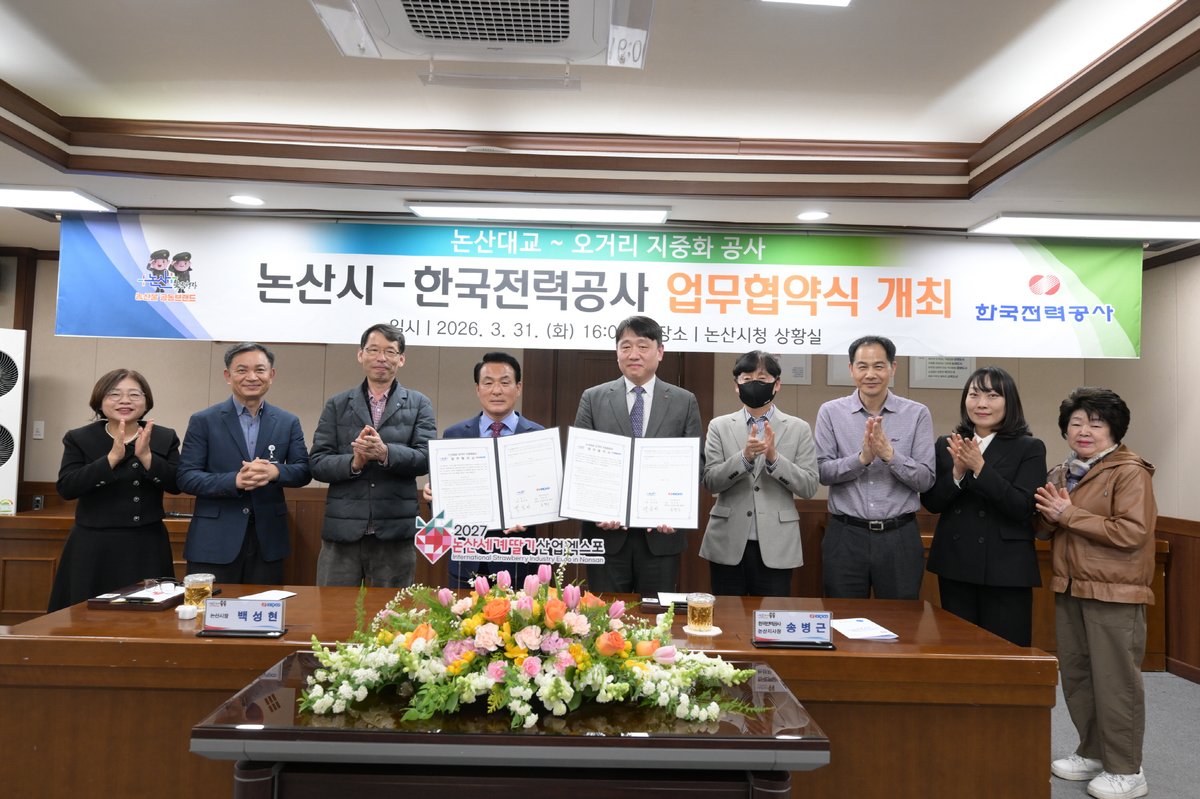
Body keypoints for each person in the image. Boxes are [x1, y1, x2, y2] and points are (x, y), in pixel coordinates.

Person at [1035, 388, 1155, 799]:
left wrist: (1067, 514)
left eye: (1095, 424)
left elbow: (1132, 532)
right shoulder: (1061, 472)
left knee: (1116, 682)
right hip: (1070, 584)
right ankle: (1092, 751)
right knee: (1078, 676)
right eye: (1076, 423)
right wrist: (1050, 517)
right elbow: (1046, 529)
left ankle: (1127, 769)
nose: (1084, 431)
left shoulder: (1130, 471)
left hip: (1115, 591)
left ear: (1114, 430)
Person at [574, 315, 702, 595]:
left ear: (660, 351)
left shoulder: (684, 401)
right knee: (604, 614)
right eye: (626, 346)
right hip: (605, 535)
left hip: (661, 536)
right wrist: (596, 510)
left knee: (655, 615)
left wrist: (676, 511)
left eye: (643, 346)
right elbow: (581, 464)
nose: (634, 354)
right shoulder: (593, 398)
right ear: (617, 352)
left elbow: (695, 465)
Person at [919, 366, 1046, 646]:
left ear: (1009, 401)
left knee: (1005, 652)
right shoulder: (948, 444)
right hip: (956, 564)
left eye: (992, 395)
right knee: (958, 649)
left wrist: (980, 468)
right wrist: (957, 473)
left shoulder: (1030, 447)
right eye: (974, 395)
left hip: (1006, 568)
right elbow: (932, 502)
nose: (982, 403)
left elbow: (1022, 507)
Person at [309, 324, 435, 588]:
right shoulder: (337, 404)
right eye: (374, 350)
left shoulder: (419, 403)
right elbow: (318, 462)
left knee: (393, 611)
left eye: (390, 351)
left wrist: (385, 453)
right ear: (360, 354)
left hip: (394, 532)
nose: (381, 358)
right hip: (343, 530)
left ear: (401, 359)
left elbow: (426, 458)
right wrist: (354, 463)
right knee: (333, 608)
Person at [47, 369, 181, 611]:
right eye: (114, 394)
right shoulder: (80, 438)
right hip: (93, 544)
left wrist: (147, 457)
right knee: (86, 615)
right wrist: (110, 459)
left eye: (134, 394)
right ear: (100, 401)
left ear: (146, 401)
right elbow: (67, 487)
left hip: (147, 544)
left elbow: (177, 484)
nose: (125, 401)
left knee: (148, 616)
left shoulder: (163, 437)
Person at [178, 343, 311, 584]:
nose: (252, 377)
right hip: (213, 541)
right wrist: (235, 480)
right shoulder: (203, 421)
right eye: (242, 370)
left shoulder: (287, 421)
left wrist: (274, 471)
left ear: (271, 375)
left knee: (263, 606)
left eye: (259, 370)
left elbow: (303, 470)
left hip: (267, 540)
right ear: (228, 376)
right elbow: (186, 476)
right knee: (210, 608)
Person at [815, 335, 935, 599]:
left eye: (879, 366)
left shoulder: (917, 413)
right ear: (851, 369)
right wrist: (862, 459)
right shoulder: (831, 412)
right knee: (843, 617)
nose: (870, 374)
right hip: (845, 534)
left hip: (899, 536)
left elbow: (926, 479)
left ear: (893, 368)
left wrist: (889, 455)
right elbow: (822, 472)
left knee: (901, 619)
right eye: (863, 366)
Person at [700, 350, 818, 596]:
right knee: (726, 615)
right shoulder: (719, 426)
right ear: (736, 385)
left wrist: (775, 459)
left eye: (762, 379)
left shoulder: (799, 428)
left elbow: (809, 486)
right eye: (747, 378)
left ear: (777, 384)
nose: (754, 384)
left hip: (778, 543)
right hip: (727, 541)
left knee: (771, 616)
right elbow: (711, 481)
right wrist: (744, 458)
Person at [427, 351, 544, 588]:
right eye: (488, 383)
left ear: (518, 388)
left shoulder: (538, 436)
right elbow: (442, 504)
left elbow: (545, 495)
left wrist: (529, 517)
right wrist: (435, 497)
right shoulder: (454, 435)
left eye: (505, 382)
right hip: (466, 559)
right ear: (477, 389)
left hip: (516, 559)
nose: (496, 390)